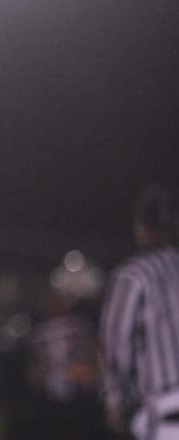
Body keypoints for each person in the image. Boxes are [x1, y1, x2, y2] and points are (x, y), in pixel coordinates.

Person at [100, 183, 179, 440]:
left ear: (141, 227)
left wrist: (115, 401)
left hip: (165, 413)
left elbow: (116, 344)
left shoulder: (135, 276)